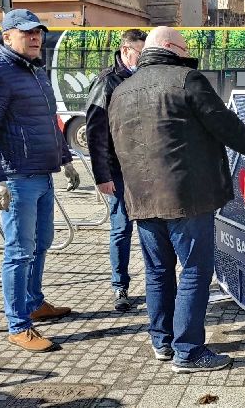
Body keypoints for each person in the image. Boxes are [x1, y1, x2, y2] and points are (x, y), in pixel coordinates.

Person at [107, 27, 245, 372]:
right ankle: (188, 351)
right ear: (170, 47)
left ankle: (162, 342)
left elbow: (113, 144)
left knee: (157, 272)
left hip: (141, 198)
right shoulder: (187, 80)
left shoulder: (122, 89)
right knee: (195, 271)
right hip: (186, 197)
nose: (188, 54)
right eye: (185, 48)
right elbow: (224, 124)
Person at [0, 9, 80, 353]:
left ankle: (34, 302)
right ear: (7, 37)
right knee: (19, 252)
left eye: (38, 32)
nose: (35, 38)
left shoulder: (36, 71)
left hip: (42, 173)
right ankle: (18, 325)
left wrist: (65, 159)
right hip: (17, 177)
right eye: (27, 33)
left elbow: (50, 121)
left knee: (42, 242)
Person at [85, 29, 147, 311]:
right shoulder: (106, 81)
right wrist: (102, 176)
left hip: (145, 169)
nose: (144, 59)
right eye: (140, 54)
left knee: (150, 228)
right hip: (119, 171)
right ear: (125, 51)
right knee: (122, 228)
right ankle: (120, 286)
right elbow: (95, 132)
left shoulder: (144, 77)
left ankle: (157, 283)